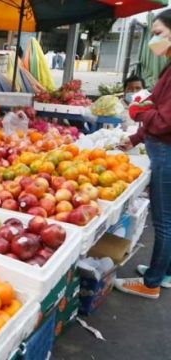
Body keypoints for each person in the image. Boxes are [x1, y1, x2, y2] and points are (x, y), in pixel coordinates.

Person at [115, 9, 171, 299]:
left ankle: (150, 283)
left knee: (164, 220)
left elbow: (163, 121)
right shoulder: (169, 68)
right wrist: (135, 137)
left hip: (166, 153)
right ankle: (164, 274)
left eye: (159, 33)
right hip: (161, 146)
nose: (154, 40)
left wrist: (139, 113)